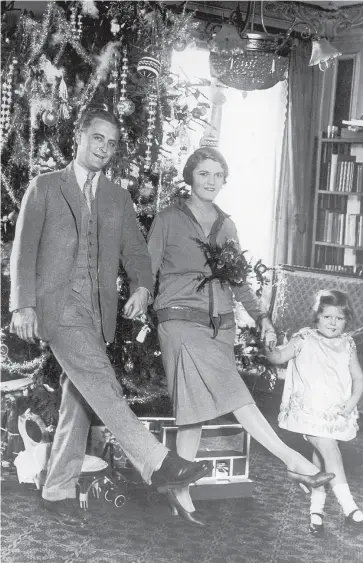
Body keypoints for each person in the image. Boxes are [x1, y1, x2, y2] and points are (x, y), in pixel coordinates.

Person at [9, 107, 212, 531]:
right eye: (97, 138)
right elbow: (23, 249)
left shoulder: (117, 197)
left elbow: (136, 252)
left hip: (96, 311)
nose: (104, 148)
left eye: (112, 143)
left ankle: (58, 486)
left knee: (79, 393)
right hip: (56, 307)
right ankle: (155, 461)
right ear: (79, 138)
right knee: (101, 382)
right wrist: (21, 304)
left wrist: (141, 285)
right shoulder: (45, 187)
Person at [147, 146, 335, 527]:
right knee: (235, 392)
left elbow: (238, 281)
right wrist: (139, 300)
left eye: (218, 175)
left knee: (193, 412)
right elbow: (146, 269)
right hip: (179, 321)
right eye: (204, 174)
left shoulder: (226, 225)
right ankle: (293, 462)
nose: (212, 182)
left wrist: (263, 318)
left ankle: (179, 494)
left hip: (220, 326)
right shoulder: (168, 219)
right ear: (190, 176)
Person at [266, 289, 363, 535]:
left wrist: (353, 401)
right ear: (317, 316)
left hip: (332, 413)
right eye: (327, 316)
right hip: (308, 412)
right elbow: (278, 358)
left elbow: (359, 378)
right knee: (329, 449)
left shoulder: (347, 344)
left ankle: (316, 512)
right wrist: (269, 347)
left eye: (339, 318)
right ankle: (349, 506)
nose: (333, 322)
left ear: (346, 321)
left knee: (321, 459)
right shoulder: (304, 338)